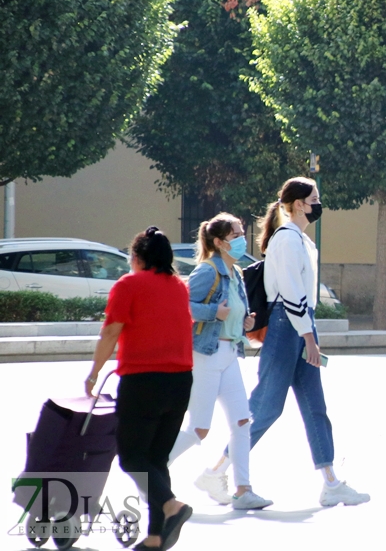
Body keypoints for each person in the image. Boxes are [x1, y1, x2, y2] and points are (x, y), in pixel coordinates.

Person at [228, 176, 370, 507]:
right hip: (287, 325)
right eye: (314, 198)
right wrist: (309, 338)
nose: (318, 204)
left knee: (314, 407)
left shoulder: (302, 242)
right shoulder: (288, 241)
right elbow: (291, 293)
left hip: (299, 324)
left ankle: (331, 482)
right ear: (297, 204)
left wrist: (309, 333)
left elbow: (301, 296)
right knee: (266, 407)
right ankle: (219, 470)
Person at [85, 227, 193, 551]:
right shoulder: (179, 287)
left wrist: (93, 373)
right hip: (180, 382)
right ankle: (156, 536)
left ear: (137, 257)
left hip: (143, 381)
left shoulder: (128, 284)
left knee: (132, 457)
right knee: (156, 460)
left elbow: (110, 333)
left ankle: (172, 505)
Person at [167, 213, 272, 510]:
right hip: (206, 355)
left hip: (229, 355)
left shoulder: (235, 272)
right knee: (199, 429)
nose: (241, 238)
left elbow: (235, 313)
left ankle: (243, 491)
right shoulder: (207, 271)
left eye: (241, 232)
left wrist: (245, 322)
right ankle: (154, 471)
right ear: (219, 242)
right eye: (235, 234)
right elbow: (183, 306)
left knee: (242, 422)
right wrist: (215, 312)